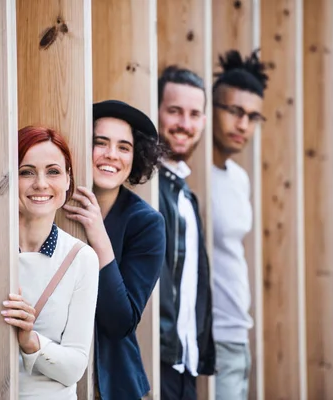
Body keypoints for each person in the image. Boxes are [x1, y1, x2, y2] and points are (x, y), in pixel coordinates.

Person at [63, 100, 166, 399]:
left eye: (124, 147)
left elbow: (119, 321)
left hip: (111, 386)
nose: (111, 155)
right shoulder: (54, 202)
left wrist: (98, 235)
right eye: (100, 142)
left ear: (136, 158)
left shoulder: (147, 224)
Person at [2, 125, 99, 400]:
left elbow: (74, 368)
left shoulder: (80, 259)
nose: (41, 184)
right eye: (26, 172)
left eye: (53, 171)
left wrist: (30, 341)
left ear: (68, 180)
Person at [211, 49, 268, 400]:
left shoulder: (239, 178)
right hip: (210, 339)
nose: (243, 124)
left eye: (253, 116)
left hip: (238, 334)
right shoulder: (190, 179)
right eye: (234, 111)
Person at [157, 66, 215, 400]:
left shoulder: (184, 192)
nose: (185, 124)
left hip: (185, 364)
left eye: (195, 114)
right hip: (159, 361)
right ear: (158, 112)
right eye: (175, 111)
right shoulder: (147, 188)